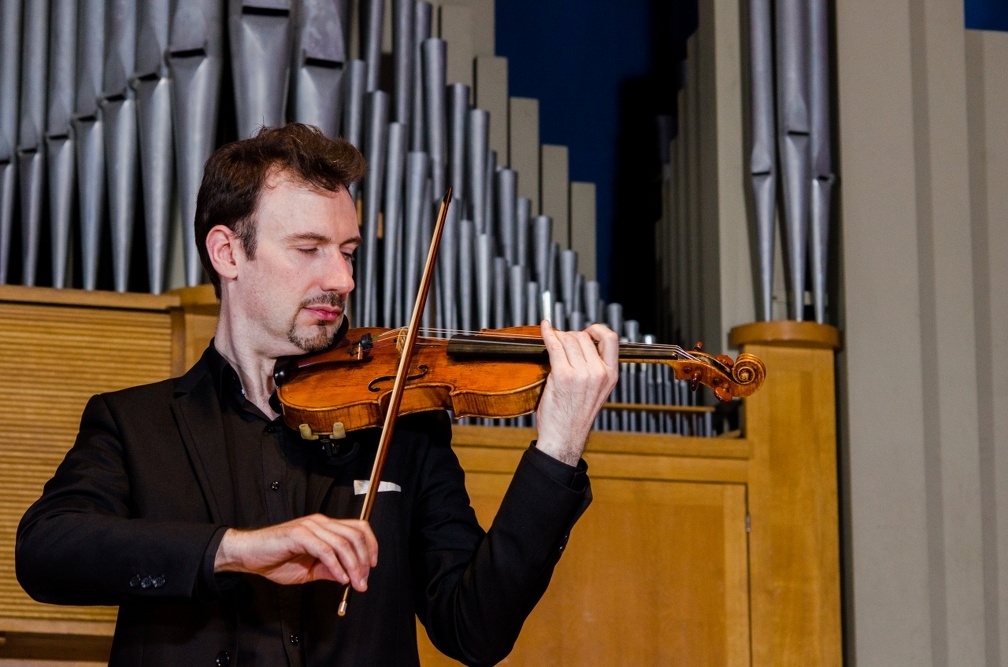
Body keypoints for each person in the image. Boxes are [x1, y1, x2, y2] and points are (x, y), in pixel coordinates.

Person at [15, 124, 619, 667]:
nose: (342, 279)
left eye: (349, 253)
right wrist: (236, 550)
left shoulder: (401, 424)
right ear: (228, 252)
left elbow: (476, 631)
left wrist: (557, 450)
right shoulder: (134, 423)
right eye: (309, 250)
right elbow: (46, 551)